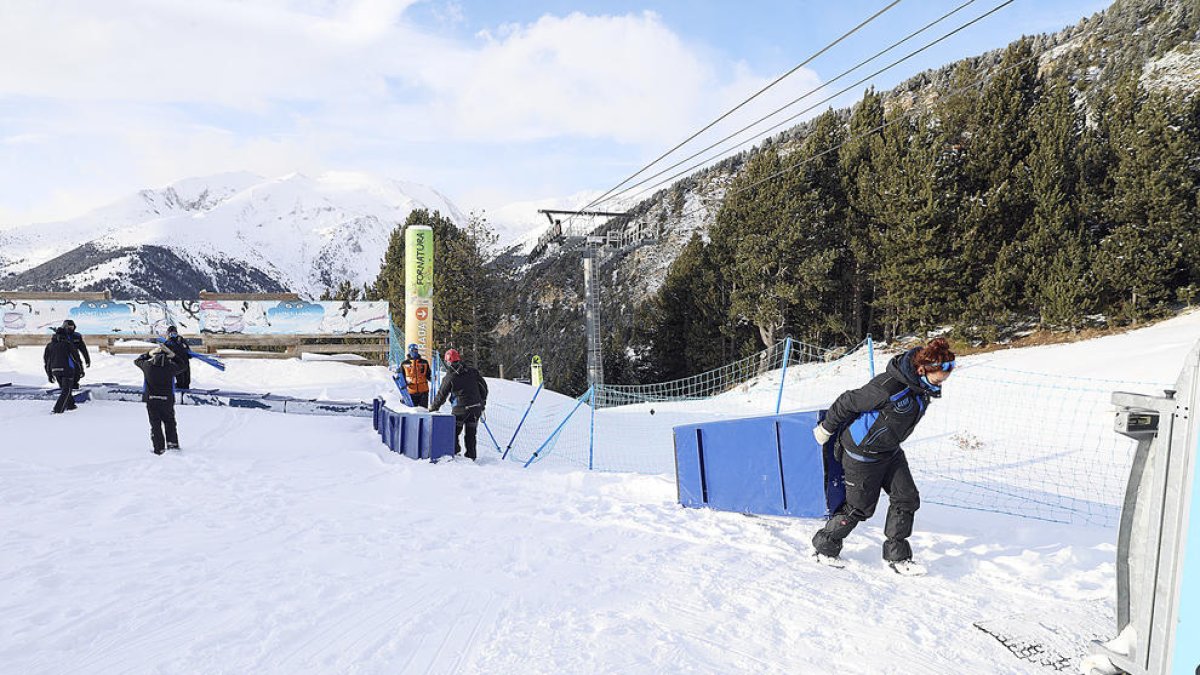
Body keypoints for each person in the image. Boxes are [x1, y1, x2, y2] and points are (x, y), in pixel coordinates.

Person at [810, 337, 956, 574]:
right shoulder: (888, 387)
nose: (946, 378)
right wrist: (825, 429)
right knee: (859, 508)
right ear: (922, 370)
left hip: (889, 450)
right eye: (942, 373)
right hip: (862, 454)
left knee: (906, 498)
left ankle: (897, 557)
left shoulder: (922, 387)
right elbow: (848, 401)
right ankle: (824, 547)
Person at [429, 348, 488, 460]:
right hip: (476, 408)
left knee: (454, 433)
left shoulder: (450, 377)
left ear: (448, 362)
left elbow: (441, 395)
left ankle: (456, 454)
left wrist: (433, 408)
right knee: (471, 434)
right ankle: (471, 456)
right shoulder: (472, 371)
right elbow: (483, 387)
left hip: (460, 409)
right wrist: (482, 402)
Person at [135, 345, 184, 455]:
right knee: (169, 422)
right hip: (167, 400)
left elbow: (137, 361)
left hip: (151, 400)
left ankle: (159, 447)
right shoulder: (170, 367)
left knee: (155, 424)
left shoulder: (147, 366)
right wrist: (174, 356)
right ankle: (172, 444)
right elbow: (183, 365)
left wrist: (148, 353)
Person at [43, 327, 85, 413]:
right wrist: (81, 370)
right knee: (66, 390)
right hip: (67, 370)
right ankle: (58, 409)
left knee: (64, 389)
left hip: (55, 370)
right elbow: (76, 358)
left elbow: (47, 361)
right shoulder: (68, 344)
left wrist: (49, 374)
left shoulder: (49, 345)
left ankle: (71, 405)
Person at [60, 320, 91, 391]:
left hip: (75, 358)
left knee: (77, 373)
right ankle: (64, 389)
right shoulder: (60, 336)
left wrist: (87, 360)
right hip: (62, 359)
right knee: (65, 375)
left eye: (72, 327)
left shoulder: (77, 336)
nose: (71, 328)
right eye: (69, 327)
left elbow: (83, 349)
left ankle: (74, 387)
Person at [401, 343, 432, 408]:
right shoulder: (405, 364)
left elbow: (428, 374)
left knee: (423, 411)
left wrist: (432, 378)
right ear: (409, 351)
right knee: (413, 412)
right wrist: (404, 385)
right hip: (411, 391)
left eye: (416, 350)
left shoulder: (424, 362)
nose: (414, 352)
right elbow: (402, 377)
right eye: (412, 350)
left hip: (423, 391)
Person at [161, 325, 193, 390]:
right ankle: (179, 391)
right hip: (177, 364)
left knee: (186, 381)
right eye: (172, 333)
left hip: (184, 363)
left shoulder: (181, 340)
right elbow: (164, 355)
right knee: (181, 381)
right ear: (168, 334)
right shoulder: (168, 343)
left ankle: (184, 394)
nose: (173, 335)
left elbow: (188, 351)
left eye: (175, 333)